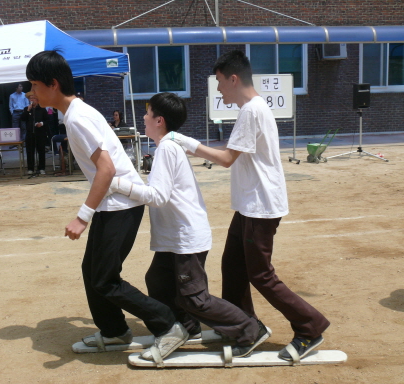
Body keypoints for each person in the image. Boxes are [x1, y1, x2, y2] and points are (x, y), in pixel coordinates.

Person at [26, 50, 188, 362]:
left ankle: (168, 325)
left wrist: (82, 216)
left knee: (105, 279)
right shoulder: (75, 113)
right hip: (112, 204)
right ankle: (114, 330)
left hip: (121, 205)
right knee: (93, 271)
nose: (31, 92)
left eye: (34, 85)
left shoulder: (77, 118)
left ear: (53, 84)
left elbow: (107, 169)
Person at [171, 50, 330, 362]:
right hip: (248, 205)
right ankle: (242, 326)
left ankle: (310, 327)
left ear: (233, 79)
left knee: (261, 275)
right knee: (232, 267)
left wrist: (186, 143)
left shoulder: (252, 111)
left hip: (261, 207)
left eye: (219, 83)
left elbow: (228, 159)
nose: (218, 90)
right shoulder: (251, 109)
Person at [109, 92, 270, 360]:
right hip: (175, 237)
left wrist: (118, 185)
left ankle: (250, 329)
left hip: (186, 238)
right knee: (158, 281)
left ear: (159, 120)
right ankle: (186, 327)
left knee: (194, 298)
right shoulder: (168, 148)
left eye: (147, 114)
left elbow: (157, 196)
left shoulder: (167, 149)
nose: (144, 119)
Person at [20, 92, 49, 175]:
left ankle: (41, 168)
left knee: (41, 151)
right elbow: (22, 119)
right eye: (31, 98)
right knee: (30, 151)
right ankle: (30, 168)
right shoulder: (26, 109)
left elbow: (47, 120)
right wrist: (28, 110)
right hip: (30, 133)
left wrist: (42, 123)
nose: (32, 100)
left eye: (34, 98)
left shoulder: (42, 109)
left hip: (40, 133)